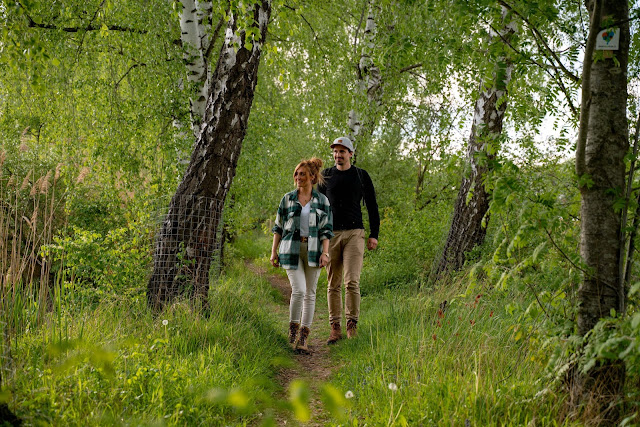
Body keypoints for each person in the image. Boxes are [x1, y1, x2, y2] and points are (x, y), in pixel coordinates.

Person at [318, 136, 380, 344]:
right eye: (335, 151)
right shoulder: (325, 175)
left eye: (342, 151)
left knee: (352, 281)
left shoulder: (361, 176)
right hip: (331, 235)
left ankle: (352, 325)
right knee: (333, 284)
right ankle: (335, 328)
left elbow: (372, 206)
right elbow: (318, 207)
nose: (338, 155)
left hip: (355, 233)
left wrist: (374, 235)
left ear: (351, 154)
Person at [271, 157, 333, 354]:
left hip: (314, 250)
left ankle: (303, 338)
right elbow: (278, 226)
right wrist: (274, 251)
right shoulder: (287, 199)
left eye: (303, 174)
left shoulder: (322, 201)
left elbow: (327, 230)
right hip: (290, 249)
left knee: (310, 293)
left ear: (312, 177)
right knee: (299, 290)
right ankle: (292, 333)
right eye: (296, 174)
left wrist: (325, 252)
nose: (298, 177)